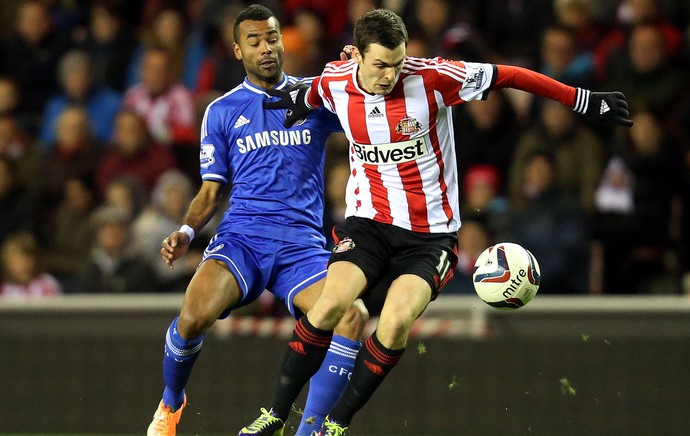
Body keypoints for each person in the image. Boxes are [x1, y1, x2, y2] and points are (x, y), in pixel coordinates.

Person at [243, 8, 633, 435]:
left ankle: (334, 425)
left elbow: (512, 75)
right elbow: (310, 92)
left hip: (429, 237)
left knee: (393, 323)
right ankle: (274, 415)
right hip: (367, 224)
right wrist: (296, 100)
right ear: (355, 56)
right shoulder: (335, 80)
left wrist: (581, 99)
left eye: (397, 63)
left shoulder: (433, 78)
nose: (390, 75)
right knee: (331, 304)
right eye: (379, 65)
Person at [146, 5, 368, 435]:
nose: (266, 48)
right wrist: (186, 231)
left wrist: (358, 75)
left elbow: (368, 116)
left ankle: (312, 428)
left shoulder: (315, 97)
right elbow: (211, 190)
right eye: (254, 41)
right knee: (192, 315)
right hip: (244, 239)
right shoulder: (222, 111)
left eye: (272, 38)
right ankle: (171, 403)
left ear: (282, 41)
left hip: (302, 246)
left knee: (352, 316)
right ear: (237, 50)